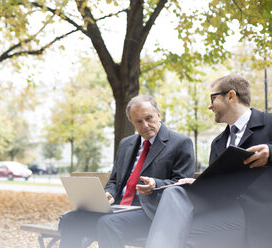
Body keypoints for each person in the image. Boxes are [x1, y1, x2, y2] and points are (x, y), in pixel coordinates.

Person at [145, 74, 272, 248]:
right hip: (223, 209)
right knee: (174, 193)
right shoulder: (218, 142)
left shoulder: (269, 123)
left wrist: (271, 152)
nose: (210, 106)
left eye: (213, 98)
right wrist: (199, 182)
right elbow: (218, 185)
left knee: (180, 233)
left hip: (259, 214)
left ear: (231, 96)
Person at [59, 95, 195, 248]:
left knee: (108, 224)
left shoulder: (180, 143)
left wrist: (155, 184)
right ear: (131, 122)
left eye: (149, 118)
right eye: (138, 121)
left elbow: (183, 186)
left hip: (151, 212)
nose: (145, 125)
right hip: (118, 208)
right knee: (70, 219)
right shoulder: (126, 144)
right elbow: (114, 180)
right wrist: (109, 193)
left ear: (159, 114)